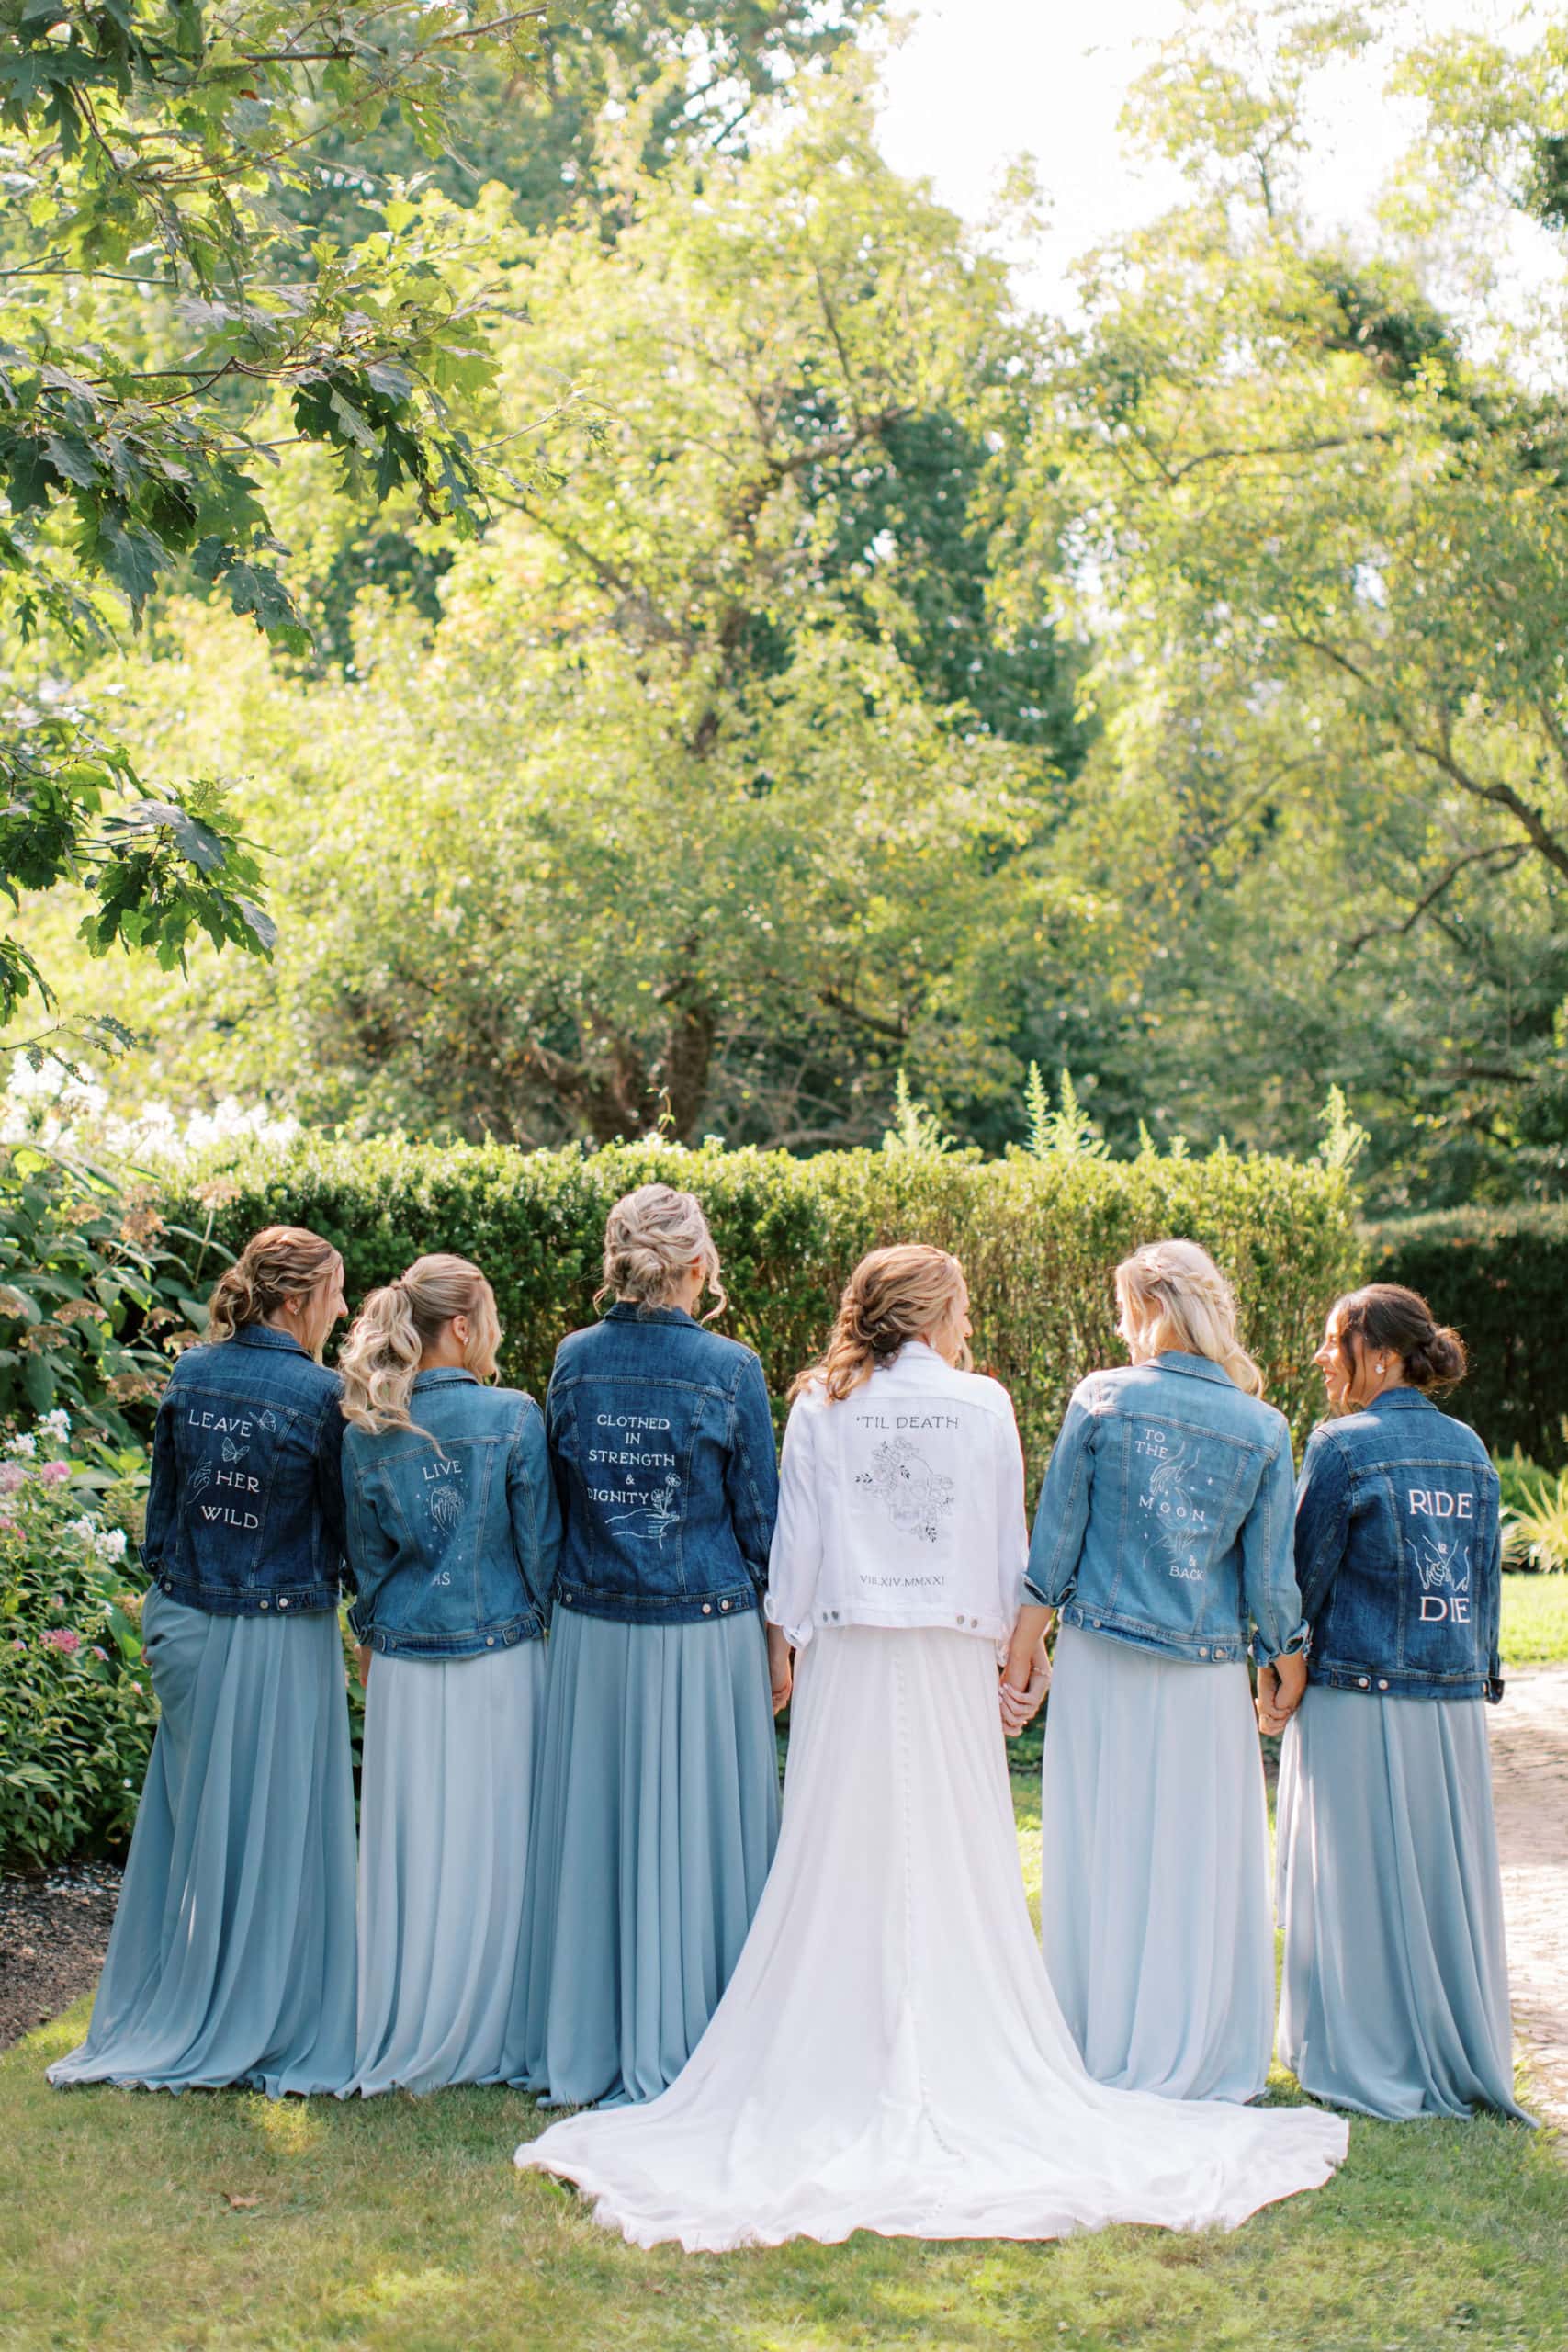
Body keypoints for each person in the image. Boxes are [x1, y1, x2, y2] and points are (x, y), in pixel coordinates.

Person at [513, 1244, 1348, 2250]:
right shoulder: (981, 1405)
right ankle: (957, 2041)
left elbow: (796, 1551)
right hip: (950, 1661)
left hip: (850, 1661)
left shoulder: (820, 1403)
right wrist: (1013, 1657)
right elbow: (1004, 1547)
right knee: (955, 1857)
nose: (968, 1326)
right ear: (929, 1313)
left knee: (840, 1851)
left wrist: (785, 1641)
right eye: (961, 1309)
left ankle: (836, 2045)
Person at [49, 1227, 355, 2097]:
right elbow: (343, 1528)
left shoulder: (191, 1373)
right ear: (294, 1301)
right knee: (272, 1825)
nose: (343, 1307)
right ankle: (261, 2009)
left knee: (199, 1824)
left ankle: (189, 1993)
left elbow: (164, 1511)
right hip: (277, 1631)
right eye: (334, 1291)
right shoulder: (322, 1396)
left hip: (181, 1623)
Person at [1007, 1238, 1306, 2102]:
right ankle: (1190, 2039)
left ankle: (1093, 2032)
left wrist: (1025, 1642)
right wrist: (1282, 1663)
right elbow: (1270, 1582)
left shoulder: (1101, 1398)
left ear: (1147, 1309)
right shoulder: (1261, 1427)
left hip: (1101, 1660)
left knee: (1099, 1849)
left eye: (1122, 1309)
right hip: (1202, 1678)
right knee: (1189, 1858)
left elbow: (1055, 1541)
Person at [520, 1183, 788, 2109]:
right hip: (703, 1632)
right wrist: (778, 1643)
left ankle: (592, 2030)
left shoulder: (573, 1360)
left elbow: (557, 1502)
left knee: (596, 1831)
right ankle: (712, 2023)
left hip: (593, 1628)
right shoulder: (732, 1368)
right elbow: (762, 1525)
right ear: (699, 1267)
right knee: (701, 1833)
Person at [1268, 1283, 1530, 2123]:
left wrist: (1279, 1667)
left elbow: (1301, 1577)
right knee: (1435, 1877)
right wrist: (1478, 1673)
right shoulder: (1468, 1448)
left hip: (1359, 1693)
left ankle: (1361, 2047)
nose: (1320, 1356)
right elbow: (1482, 1584)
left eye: (1332, 1339)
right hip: (1450, 1700)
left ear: (1377, 1353)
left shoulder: (1340, 1445)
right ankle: (1443, 2041)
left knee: (1355, 1881)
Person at [336, 1254, 561, 2096]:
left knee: (411, 1845)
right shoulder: (512, 1416)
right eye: (489, 1319)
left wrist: (371, 1641)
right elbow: (540, 1552)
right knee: (495, 1841)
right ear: (461, 1327)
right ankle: (494, 2022)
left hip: (399, 1660)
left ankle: (405, 2013)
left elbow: (366, 1563)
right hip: (501, 1659)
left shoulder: (366, 1428)